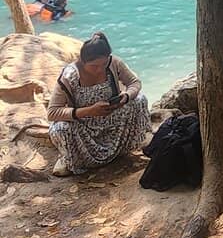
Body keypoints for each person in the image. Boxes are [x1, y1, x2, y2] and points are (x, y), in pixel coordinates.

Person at [47, 31, 151, 176]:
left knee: (139, 100)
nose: (100, 69)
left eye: (103, 64)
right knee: (61, 128)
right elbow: (52, 113)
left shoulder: (114, 63)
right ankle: (72, 160)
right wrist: (89, 111)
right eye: (94, 66)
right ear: (83, 61)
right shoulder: (69, 76)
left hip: (111, 119)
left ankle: (123, 149)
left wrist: (126, 96)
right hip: (84, 125)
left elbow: (135, 82)